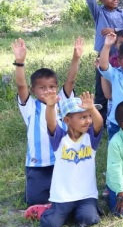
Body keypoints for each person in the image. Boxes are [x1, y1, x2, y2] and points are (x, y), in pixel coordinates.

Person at [13, 37, 82, 206]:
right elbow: (21, 86)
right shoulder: (30, 106)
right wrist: (19, 63)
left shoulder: (62, 102)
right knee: (36, 201)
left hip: (62, 160)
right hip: (38, 164)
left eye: (52, 87)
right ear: (33, 90)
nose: (48, 91)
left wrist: (76, 58)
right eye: (42, 88)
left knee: (65, 197)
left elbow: (70, 81)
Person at [25, 93, 104, 227]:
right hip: (62, 196)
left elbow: (99, 124)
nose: (88, 121)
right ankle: (48, 210)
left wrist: (91, 108)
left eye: (89, 116)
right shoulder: (60, 139)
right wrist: (50, 106)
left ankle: (73, 212)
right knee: (49, 226)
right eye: (82, 117)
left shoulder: (90, 139)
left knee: (89, 219)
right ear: (67, 120)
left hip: (86, 195)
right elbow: (51, 122)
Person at [86, 0, 123, 117]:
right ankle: (100, 119)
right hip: (105, 56)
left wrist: (114, 29)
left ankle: (120, 114)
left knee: (120, 85)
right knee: (102, 87)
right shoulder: (99, 12)